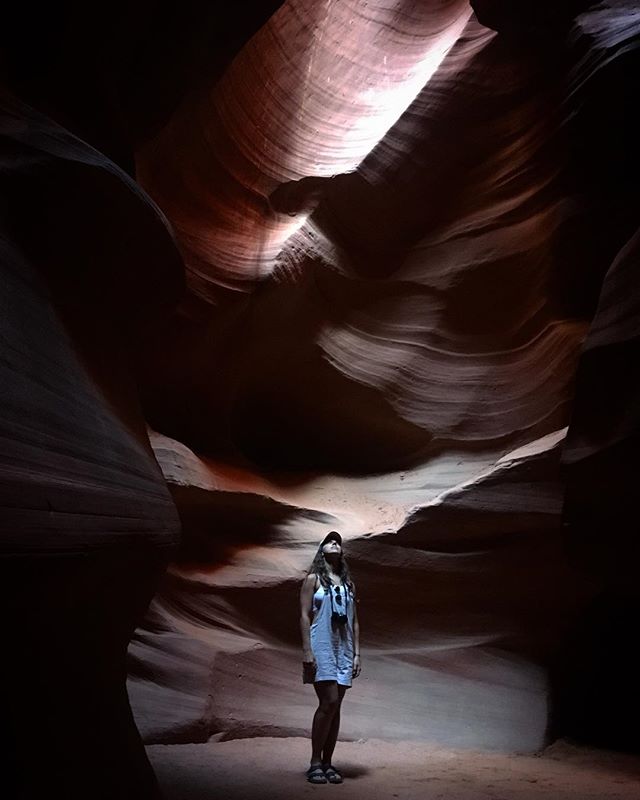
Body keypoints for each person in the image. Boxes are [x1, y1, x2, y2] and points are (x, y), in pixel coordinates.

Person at [299, 530, 361, 784]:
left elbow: (355, 621)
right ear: (322, 549)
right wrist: (306, 651)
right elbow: (303, 616)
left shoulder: (348, 584)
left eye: (338, 542)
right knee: (329, 701)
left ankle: (327, 762)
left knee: (336, 707)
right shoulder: (313, 580)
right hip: (322, 645)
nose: (335, 544)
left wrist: (357, 654)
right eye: (329, 541)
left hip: (343, 647)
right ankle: (315, 761)